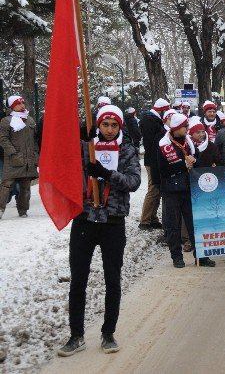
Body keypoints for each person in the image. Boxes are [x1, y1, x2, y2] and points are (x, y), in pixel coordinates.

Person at [57, 105, 141, 357]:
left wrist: (107, 174)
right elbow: (63, 163)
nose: (109, 130)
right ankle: (76, 335)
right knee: (78, 280)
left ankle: (108, 333)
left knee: (112, 279)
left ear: (120, 127)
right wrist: (81, 136)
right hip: (84, 219)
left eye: (114, 125)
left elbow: (133, 182)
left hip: (112, 223)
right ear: (98, 125)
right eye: (105, 125)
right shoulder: (87, 147)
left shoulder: (126, 150)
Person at [158, 113, 215, 268]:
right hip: (171, 189)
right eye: (185, 127)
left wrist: (193, 161)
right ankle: (177, 256)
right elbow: (162, 169)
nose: (188, 129)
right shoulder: (164, 144)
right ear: (176, 128)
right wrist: (184, 164)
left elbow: (195, 161)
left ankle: (201, 255)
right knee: (173, 225)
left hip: (189, 187)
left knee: (194, 223)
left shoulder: (188, 142)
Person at [0, 96, 39, 219]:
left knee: (25, 187)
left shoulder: (30, 120)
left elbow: (35, 139)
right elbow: (3, 139)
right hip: (13, 160)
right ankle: (0, 209)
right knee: (6, 185)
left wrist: (36, 154)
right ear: (12, 106)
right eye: (19, 103)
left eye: (22, 103)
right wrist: (12, 152)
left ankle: (23, 210)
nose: (22, 105)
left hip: (29, 159)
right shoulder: (6, 121)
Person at [138, 98, 170, 230]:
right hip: (152, 160)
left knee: (157, 190)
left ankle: (152, 217)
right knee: (153, 189)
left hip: (154, 159)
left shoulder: (152, 119)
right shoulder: (150, 120)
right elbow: (151, 144)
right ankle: (145, 220)